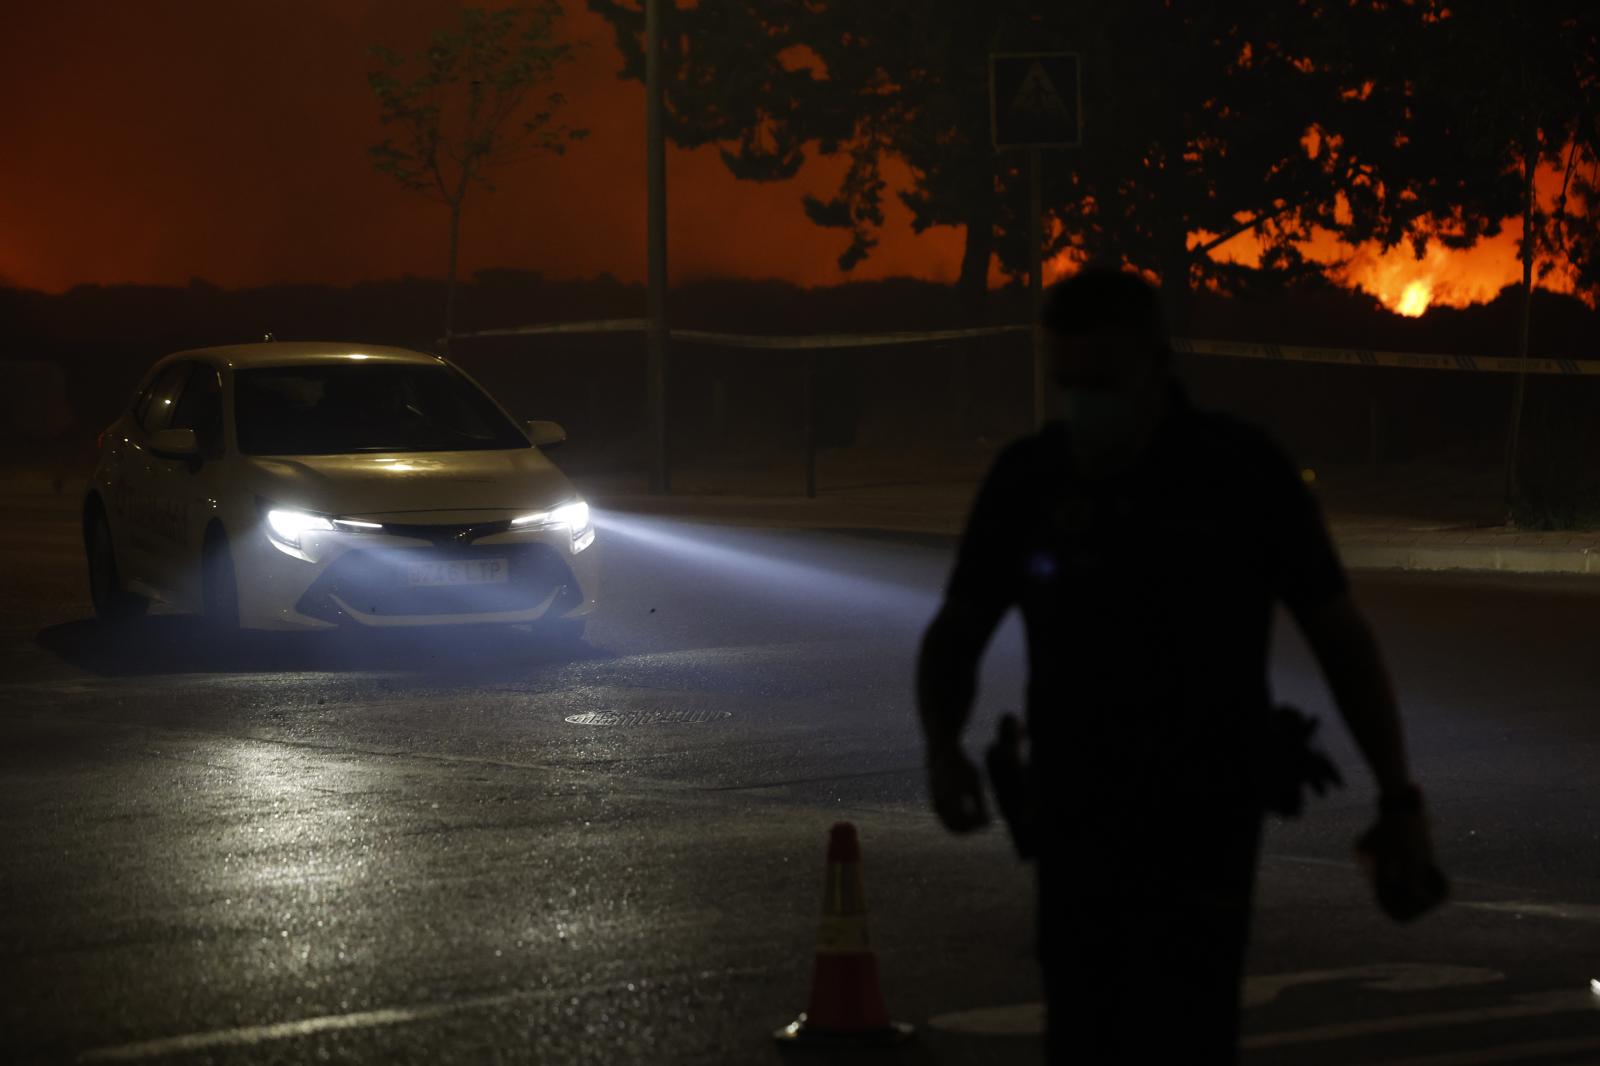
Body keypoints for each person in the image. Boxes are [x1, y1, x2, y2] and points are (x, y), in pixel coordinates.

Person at [915, 267, 1442, 1064]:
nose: (1085, 403)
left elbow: (1340, 639)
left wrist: (1398, 797)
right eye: (1069, 383)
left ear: (1158, 365)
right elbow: (958, 629)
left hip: (1202, 821)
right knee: (1086, 1031)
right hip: (1076, 818)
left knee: (1190, 1032)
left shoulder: (1240, 475)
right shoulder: (1031, 480)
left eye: (1103, 381)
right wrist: (942, 746)